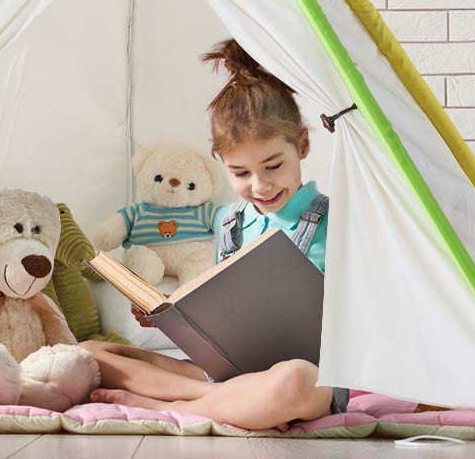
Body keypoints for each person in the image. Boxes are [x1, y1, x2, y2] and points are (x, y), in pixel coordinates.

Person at [80, 39, 346, 431]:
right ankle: (214, 400)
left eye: (273, 166)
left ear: (302, 144)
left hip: (305, 378)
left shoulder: (335, 221)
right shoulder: (227, 222)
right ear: (221, 162)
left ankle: (172, 405)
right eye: (240, 173)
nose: (260, 185)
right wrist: (174, 320)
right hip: (227, 377)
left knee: (295, 380)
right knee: (88, 353)